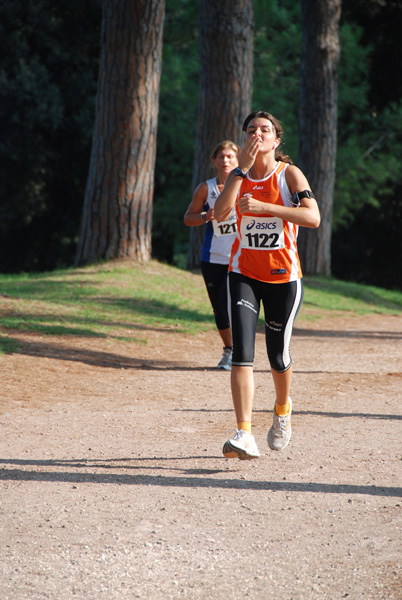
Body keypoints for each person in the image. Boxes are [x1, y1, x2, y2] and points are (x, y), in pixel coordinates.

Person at [214, 111, 321, 459]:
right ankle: (244, 432)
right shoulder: (238, 175)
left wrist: (266, 207)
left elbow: (313, 217)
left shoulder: (288, 174)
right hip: (243, 273)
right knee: (243, 353)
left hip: (283, 279)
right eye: (250, 130)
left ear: (277, 140)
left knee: (277, 356)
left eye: (265, 130)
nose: (257, 135)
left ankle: (282, 407)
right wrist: (239, 173)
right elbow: (219, 213)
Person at [184, 140, 239, 370]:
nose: (225, 161)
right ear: (214, 161)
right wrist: (206, 217)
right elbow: (188, 218)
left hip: (241, 257)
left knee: (237, 305)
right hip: (214, 257)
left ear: (238, 160)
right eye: (221, 157)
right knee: (219, 307)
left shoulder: (247, 185)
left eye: (230, 157)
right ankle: (230, 350)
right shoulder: (206, 189)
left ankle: (242, 352)